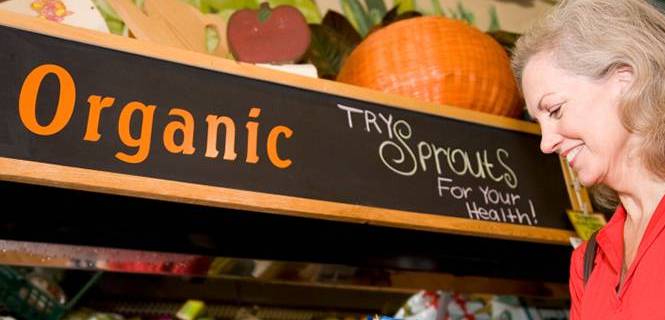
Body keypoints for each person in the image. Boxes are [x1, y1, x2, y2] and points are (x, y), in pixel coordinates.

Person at [511, 0, 665, 318]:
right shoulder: (587, 262)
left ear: (625, 81)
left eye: (555, 110)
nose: (546, 143)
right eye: (538, 122)